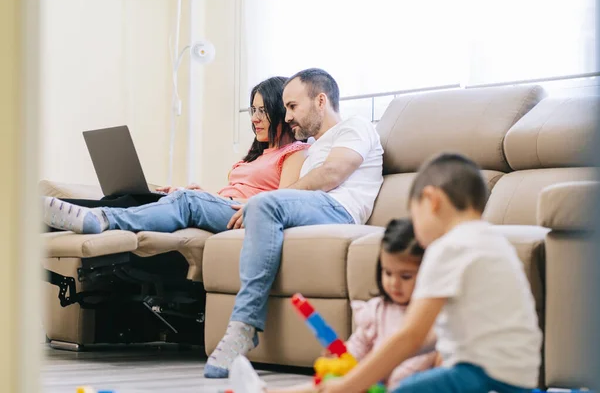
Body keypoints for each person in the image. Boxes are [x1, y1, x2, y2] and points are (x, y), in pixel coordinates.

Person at [203, 68, 384, 378]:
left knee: (264, 204)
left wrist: (268, 201)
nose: (286, 117)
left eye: (292, 106)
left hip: (338, 210)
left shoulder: (355, 127)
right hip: (310, 211)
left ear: (321, 101)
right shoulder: (312, 148)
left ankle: (244, 326)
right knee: (218, 207)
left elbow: (331, 175)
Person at [319, 153, 543, 393]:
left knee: (408, 389)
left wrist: (348, 386)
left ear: (431, 199)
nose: (416, 230)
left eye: (414, 216)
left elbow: (411, 336)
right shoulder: (496, 243)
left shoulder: (447, 247)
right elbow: (430, 338)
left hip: (482, 376)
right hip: (521, 378)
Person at [42, 76, 309, 234]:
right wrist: (207, 194)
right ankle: (57, 215)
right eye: (252, 110)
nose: (255, 119)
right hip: (225, 205)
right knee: (137, 197)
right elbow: (233, 192)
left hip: (244, 213)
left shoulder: (295, 152)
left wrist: (200, 198)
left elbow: (282, 201)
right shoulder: (254, 157)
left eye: (262, 110)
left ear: (281, 112)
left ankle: (102, 220)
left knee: (187, 200)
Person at [229, 219, 440, 393]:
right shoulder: (377, 309)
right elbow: (359, 346)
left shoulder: (431, 315)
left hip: (401, 387)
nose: (394, 283)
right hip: (366, 383)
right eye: (387, 273)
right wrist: (343, 354)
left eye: (405, 276)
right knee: (323, 386)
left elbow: (431, 361)